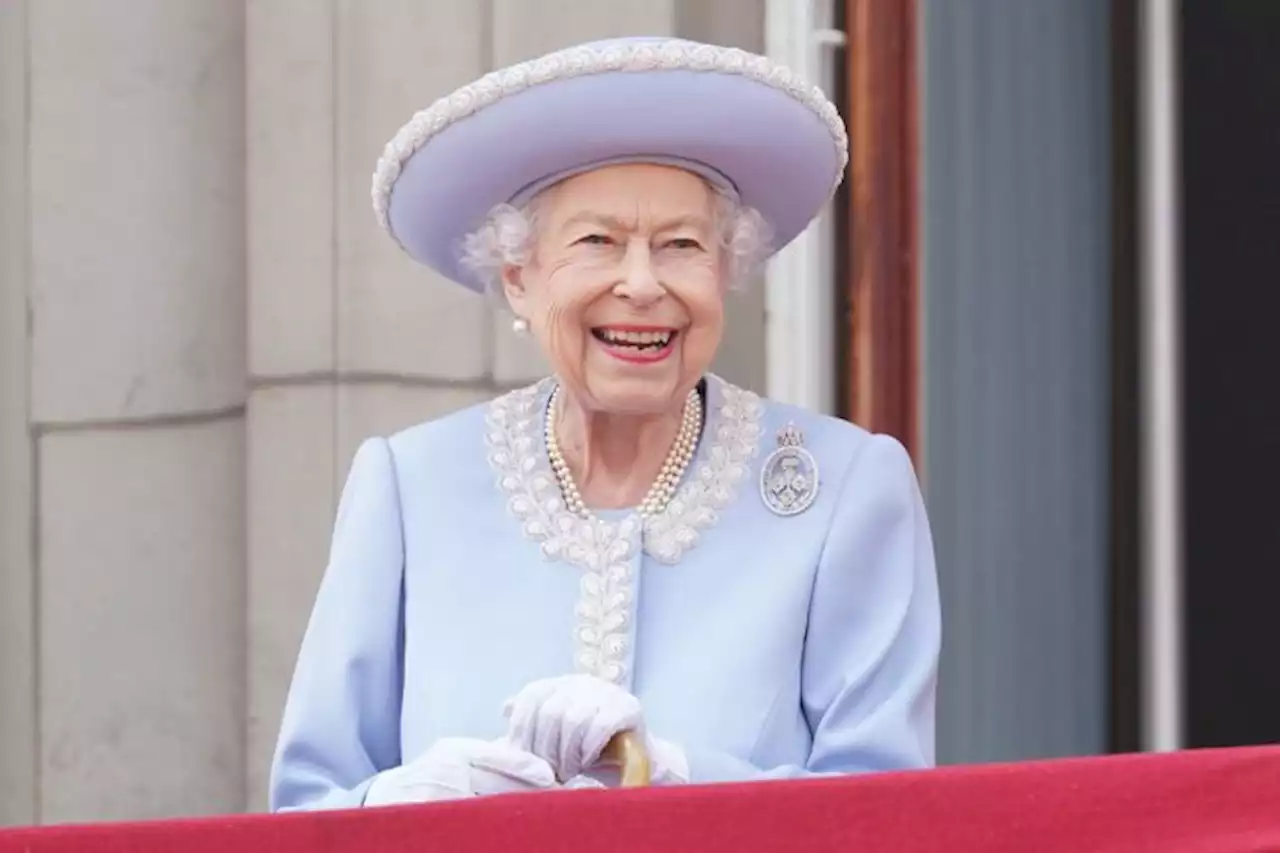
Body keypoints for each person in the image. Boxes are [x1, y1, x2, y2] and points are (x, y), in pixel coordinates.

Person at [268, 35, 941, 811]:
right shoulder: (409, 487)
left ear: (725, 273)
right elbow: (306, 807)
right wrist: (402, 801)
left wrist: (681, 774)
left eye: (681, 246)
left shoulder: (847, 489)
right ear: (518, 279)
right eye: (598, 242)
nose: (642, 284)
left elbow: (890, 811)